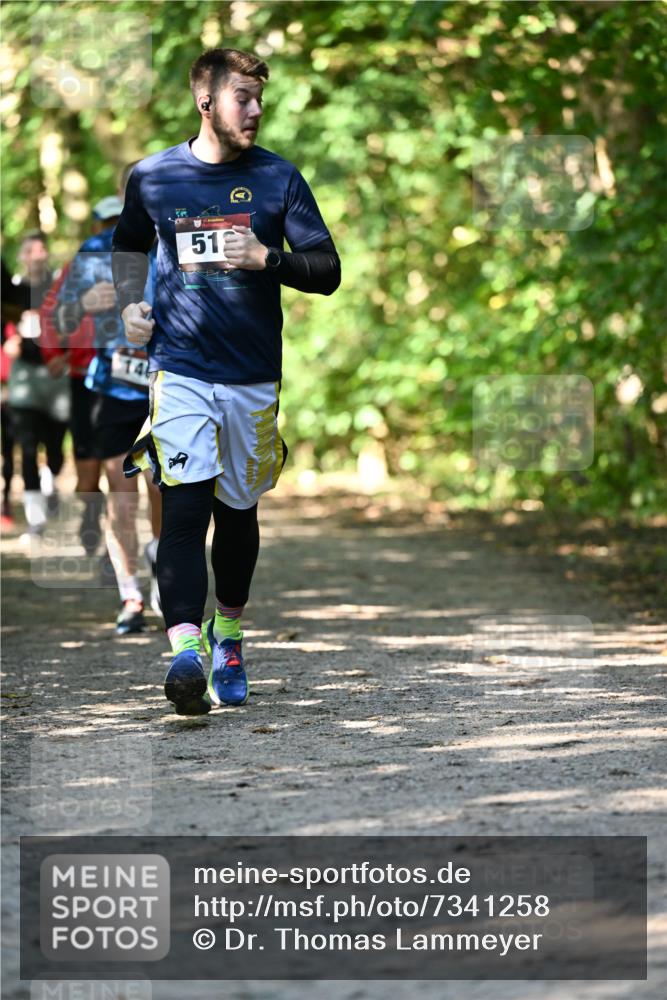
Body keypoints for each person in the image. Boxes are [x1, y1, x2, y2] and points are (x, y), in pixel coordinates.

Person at [112, 47, 340, 715]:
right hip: (179, 371)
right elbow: (128, 243)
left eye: (260, 97)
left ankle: (230, 632)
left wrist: (269, 257)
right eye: (244, 97)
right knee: (183, 509)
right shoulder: (154, 177)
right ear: (205, 102)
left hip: (252, 377)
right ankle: (186, 651)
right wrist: (131, 303)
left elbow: (326, 270)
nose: (256, 109)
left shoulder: (277, 179)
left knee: (237, 513)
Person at [56, 193, 162, 634]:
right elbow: (57, 320)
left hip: (169, 380)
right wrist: (82, 305)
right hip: (113, 385)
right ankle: (130, 595)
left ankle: (164, 573)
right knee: (121, 490)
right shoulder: (96, 250)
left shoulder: (175, 238)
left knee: (166, 485)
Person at [39, 244, 102, 555]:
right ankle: (91, 513)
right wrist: (53, 353)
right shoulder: (76, 268)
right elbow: (51, 312)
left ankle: (120, 535)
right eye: (106, 221)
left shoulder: (147, 259)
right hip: (83, 379)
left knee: (121, 467)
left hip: (130, 382)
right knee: (87, 476)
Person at [5, 232, 69, 538]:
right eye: (30, 250)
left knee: (56, 446)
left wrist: (67, 354)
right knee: (27, 446)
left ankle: (50, 475)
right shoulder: (13, 290)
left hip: (57, 374)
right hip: (24, 375)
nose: (37, 254)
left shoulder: (59, 286)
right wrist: (8, 344)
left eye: (42, 248)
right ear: (22, 256)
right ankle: (35, 520)